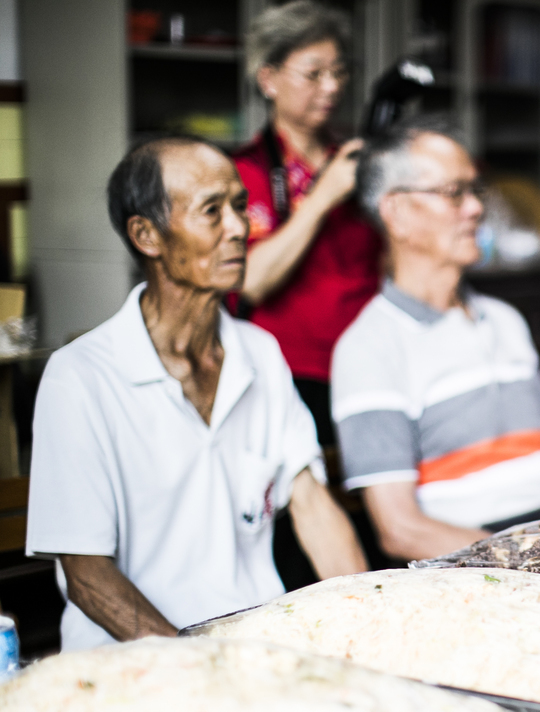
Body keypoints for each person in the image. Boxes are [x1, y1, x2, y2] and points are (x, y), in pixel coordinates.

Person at [26, 138, 367, 652]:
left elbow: (314, 509)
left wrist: (368, 626)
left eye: (238, 205)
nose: (239, 228)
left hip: (256, 649)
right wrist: (199, 669)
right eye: (213, 211)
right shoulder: (80, 377)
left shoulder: (260, 354)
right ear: (147, 235)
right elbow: (87, 576)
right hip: (133, 667)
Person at [332, 117, 540, 562]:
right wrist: (531, 562)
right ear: (396, 212)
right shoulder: (369, 347)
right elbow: (401, 530)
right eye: (453, 193)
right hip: (478, 557)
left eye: (475, 191)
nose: (475, 208)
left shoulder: (505, 320)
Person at [233, 1, 382, 444]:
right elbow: (251, 281)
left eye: (339, 72)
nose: (332, 86)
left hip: (370, 362)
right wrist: (322, 199)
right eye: (314, 74)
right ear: (269, 78)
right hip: (294, 373)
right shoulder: (246, 171)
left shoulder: (356, 161)